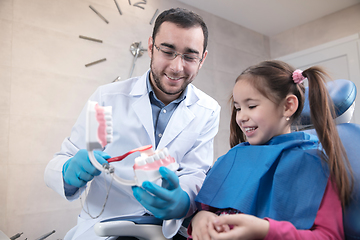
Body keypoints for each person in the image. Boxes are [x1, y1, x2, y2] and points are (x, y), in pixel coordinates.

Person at [44, 8, 220, 240]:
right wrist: (68, 172)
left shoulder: (207, 110)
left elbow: (195, 172)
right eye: (167, 51)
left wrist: (183, 200)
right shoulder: (107, 98)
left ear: (202, 59)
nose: (177, 67)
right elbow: (63, 160)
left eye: (190, 56)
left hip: (165, 230)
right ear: (150, 47)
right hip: (105, 228)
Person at [188, 60, 353, 240]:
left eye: (251, 106)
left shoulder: (313, 164)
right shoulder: (233, 158)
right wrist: (199, 218)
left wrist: (265, 230)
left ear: (288, 106)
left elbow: (328, 236)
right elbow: (206, 209)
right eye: (237, 108)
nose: (241, 117)